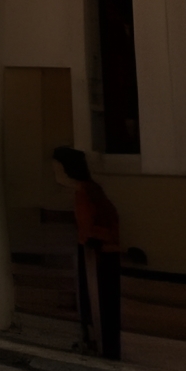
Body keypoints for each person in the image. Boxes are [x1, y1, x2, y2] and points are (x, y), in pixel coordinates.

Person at [55, 145, 125, 359]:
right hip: (99, 250)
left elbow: (90, 227)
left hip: (96, 252)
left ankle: (98, 343)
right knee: (99, 301)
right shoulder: (91, 190)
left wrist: (92, 239)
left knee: (96, 301)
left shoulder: (85, 193)